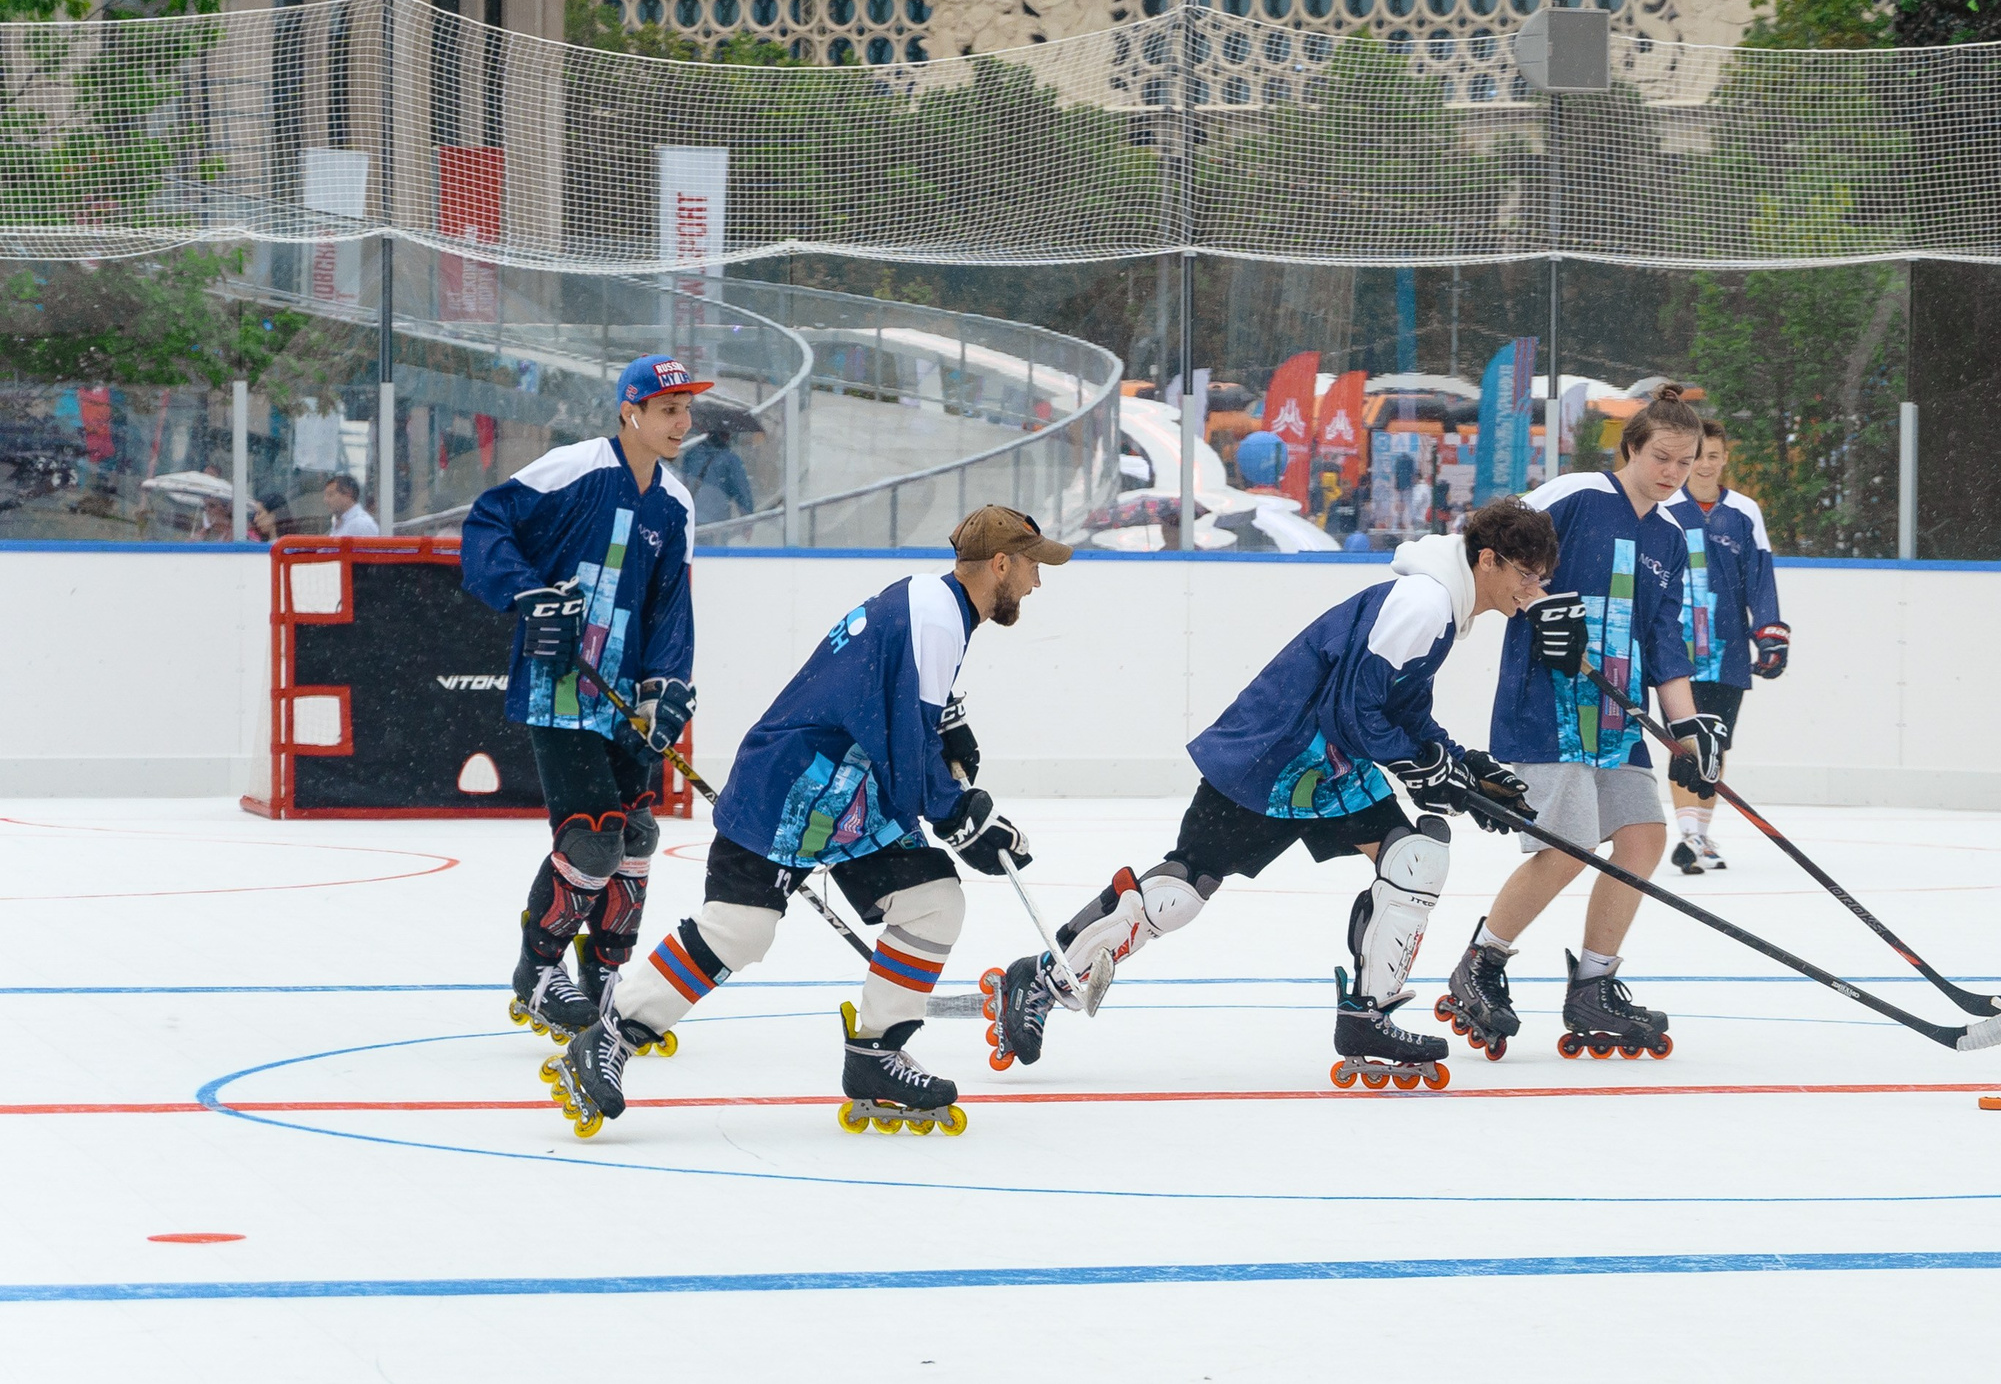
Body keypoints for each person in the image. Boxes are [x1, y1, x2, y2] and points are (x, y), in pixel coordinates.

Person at [983, 497, 1562, 1085]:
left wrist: (1464, 767)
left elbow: (1400, 711)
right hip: (1279, 756)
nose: (1532, 590)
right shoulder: (1425, 604)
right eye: (1525, 574)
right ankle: (1042, 979)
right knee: (1180, 893)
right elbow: (1357, 712)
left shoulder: (1441, 606)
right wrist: (1430, 772)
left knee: (1414, 860)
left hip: (1329, 764)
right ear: (1487, 560)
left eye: (1540, 578)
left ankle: (1367, 1017)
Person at [550, 504, 1067, 1137]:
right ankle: (609, 1036)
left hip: (850, 797)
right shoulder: (936, 615)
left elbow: (898, 696)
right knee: (739, 931)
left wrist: (950, 723)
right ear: (1002, 564)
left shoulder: (936, 604)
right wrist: (961, 817)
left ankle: (876, 1054)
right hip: (789, 784)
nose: (1037, 582)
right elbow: (907, 745)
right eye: (1033, 567)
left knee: (933, 902)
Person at [1442, 385, 1722, 1061]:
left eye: (1685, 461)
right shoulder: (1576, 496)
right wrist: (1538, 606)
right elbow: (1493, 548)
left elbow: (1664, 640)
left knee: (1643, 840)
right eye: (1661, 456)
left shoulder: (1669, 538)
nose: (1673, 471)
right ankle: (1481, 962)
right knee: (1566, 846)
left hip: (1618, 716)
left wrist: (1688, 731)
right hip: (1548, 709)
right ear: (1631, 448)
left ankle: (1594, 984)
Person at [460, 354, 709, 1051]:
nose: (682, 423)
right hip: (562, 686)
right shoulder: (575, 467)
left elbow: (670, 607)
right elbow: (486, 523)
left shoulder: (677, 503)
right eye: (669, 410)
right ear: (631, 410)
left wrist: (667, 686)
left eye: (687, 410)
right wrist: (526, 591)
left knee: (635, 837)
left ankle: (604, 977)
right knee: (593, 837)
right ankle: (539, 970)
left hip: (625, 696)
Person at [1662, 420, 1786, 874]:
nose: (1705, 465)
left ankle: (1700, 833)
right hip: (1676, 651)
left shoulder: (1744, 512)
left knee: (1717, 741)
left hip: (1728, 650)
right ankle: (1689, 834)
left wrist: (1769, 634)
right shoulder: (1665, 508)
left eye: (1713, 456)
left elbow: (1760, 578)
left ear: (1725, 459)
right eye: (1697, 456)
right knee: (1685, 741)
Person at [680, 428, 755, 522]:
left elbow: (683, 483)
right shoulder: (730, 459)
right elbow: (742, 491)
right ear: (725, 436)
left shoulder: (691, 454)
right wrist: (747, 519)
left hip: (690, 518)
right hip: (717, 522)